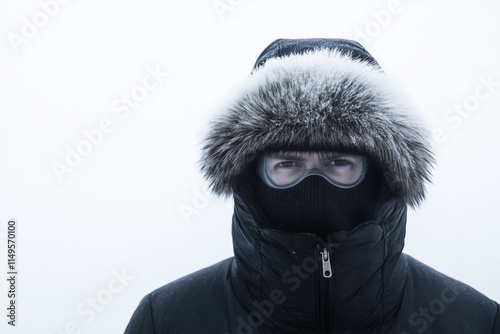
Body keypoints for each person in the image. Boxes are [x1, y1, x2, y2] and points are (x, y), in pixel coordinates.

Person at [124, 38, 500, 333]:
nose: (314, 183)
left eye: (339, 162)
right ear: (250, 174)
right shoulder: (167, 319)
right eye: (288, 163)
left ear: (381, 174)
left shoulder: (474, 320)